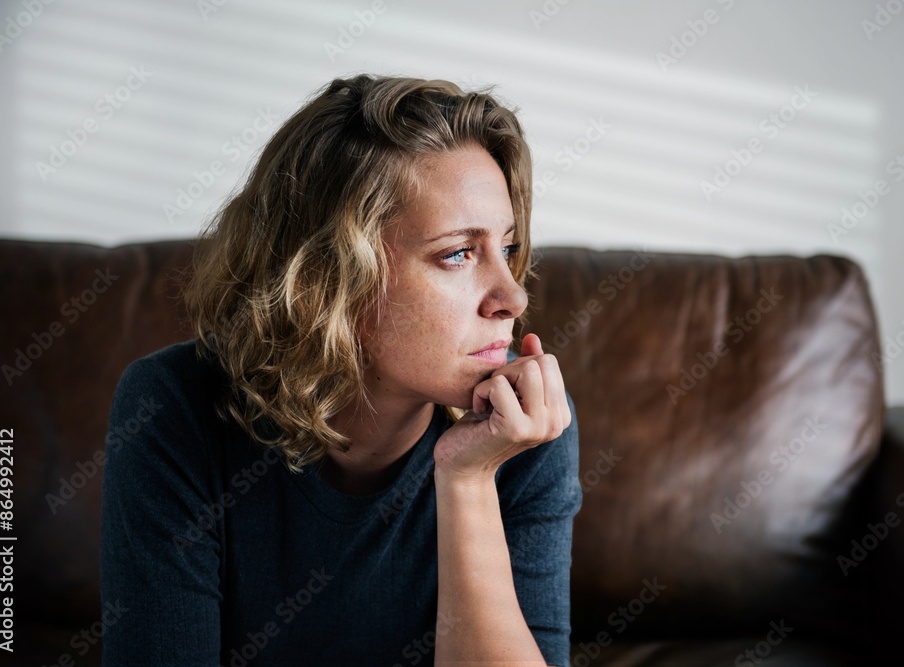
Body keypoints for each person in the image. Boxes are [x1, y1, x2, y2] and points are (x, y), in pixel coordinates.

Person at [100, 73, 581, 666]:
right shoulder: (174, 407)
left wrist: (468, 481)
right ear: (329, 278)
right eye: (458, 253)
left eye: (506, 249)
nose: (512, 296)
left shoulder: (524, 424)